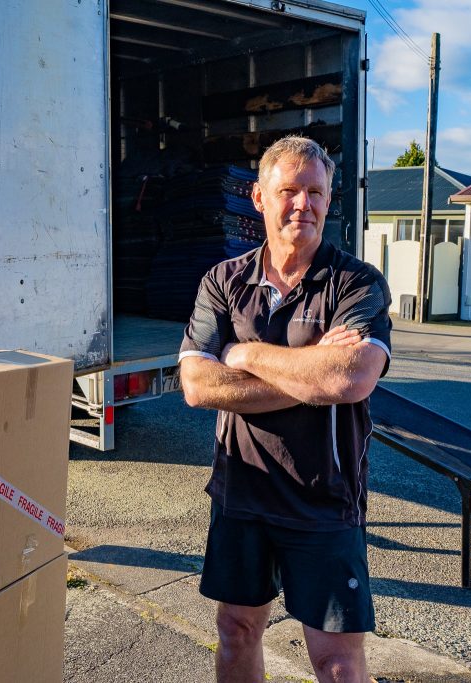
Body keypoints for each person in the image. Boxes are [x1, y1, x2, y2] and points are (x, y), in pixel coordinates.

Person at [179, 136, 391, 683]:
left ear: (329, 196)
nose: (304, 204)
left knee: (338, 663)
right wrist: (310, 368)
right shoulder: (223, 283)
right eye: (289, 191)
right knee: (237, 632)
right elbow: (198, 386)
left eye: (315, 191)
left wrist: (243, 353)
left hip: (323, 501)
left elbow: (350, 377)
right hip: (241, 494)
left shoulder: (356, 282)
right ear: (258, 197)